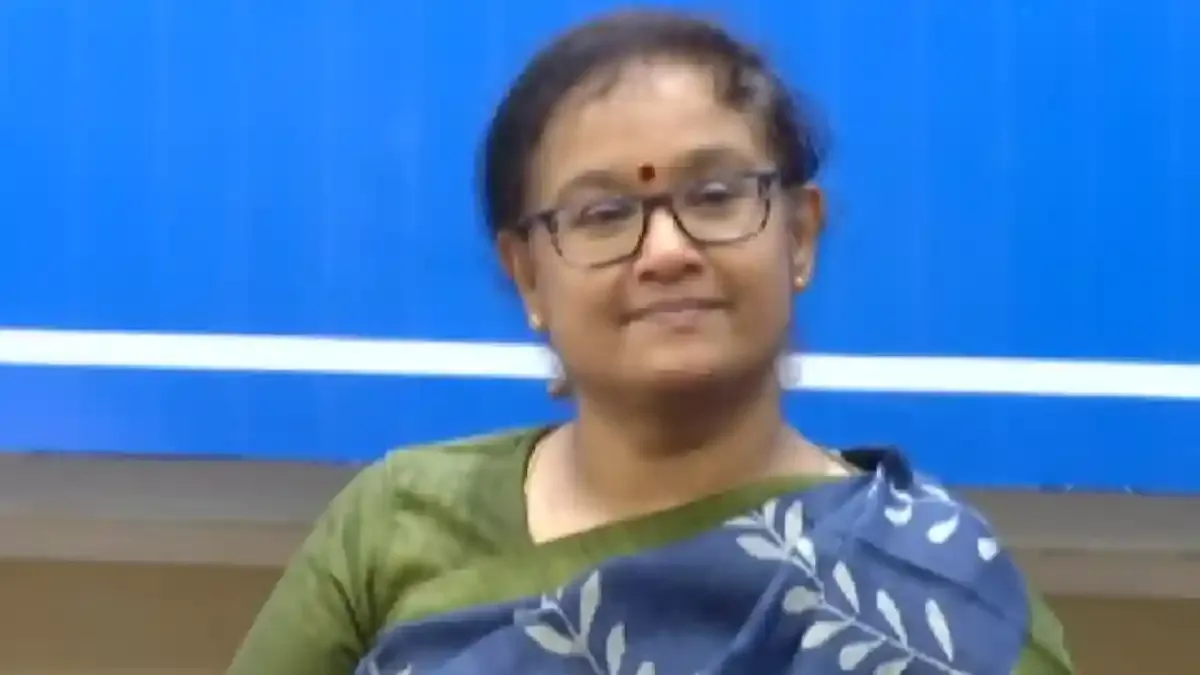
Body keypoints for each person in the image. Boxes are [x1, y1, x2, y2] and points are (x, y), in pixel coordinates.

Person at [227, 10, 1074, 675]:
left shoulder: (937, 595)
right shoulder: (398, 524)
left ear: (800, 235)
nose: (667, 251)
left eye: (715, 195)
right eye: (603, 214)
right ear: (529, 277)